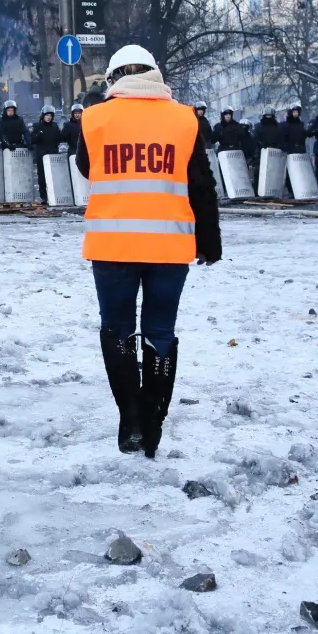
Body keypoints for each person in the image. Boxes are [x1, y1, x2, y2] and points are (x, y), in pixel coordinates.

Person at [74, 44, 221, 459]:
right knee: (159, 333)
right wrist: (209, 243)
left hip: (111, 243)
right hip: (170, 246)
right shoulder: (185, 119)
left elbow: (88, 168)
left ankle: (130, 418)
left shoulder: (95, 117)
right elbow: (202, 187)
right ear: (156, 75)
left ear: (113, 79)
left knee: (117, 331)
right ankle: (154, 423)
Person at [30, 104, 67, 201]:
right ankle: (43, 196)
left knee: (53, 176)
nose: (48, 117)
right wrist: (39, 134)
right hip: (41, 154)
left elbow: (60, 138)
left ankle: (54, 194)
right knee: (42, 176)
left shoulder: (54, 126)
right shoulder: (37, 126)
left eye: (50, 115)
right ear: (43, 115)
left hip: (52, 153)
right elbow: (32, 139)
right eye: (47, 115)